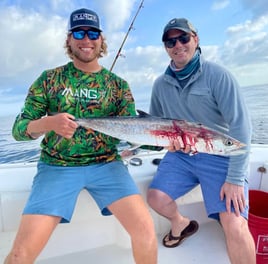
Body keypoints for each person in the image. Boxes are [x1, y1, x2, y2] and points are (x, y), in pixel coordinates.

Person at [5, 8, 157, 264]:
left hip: (108, 164)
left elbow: (135, 132)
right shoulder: (49, 79)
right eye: (79, 32)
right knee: (21, 254)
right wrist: (49, 123)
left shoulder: (117, 85)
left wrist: (171, 144)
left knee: (146, 233)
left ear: (101, 40)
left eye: (92, 33)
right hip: (57, 166)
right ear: (69, 39)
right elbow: (19, 129)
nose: (86, 39)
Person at [147, 18, 256, 264]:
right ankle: (181, 224)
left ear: (195, 39)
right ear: (166, 47)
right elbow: (155, 128)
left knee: (235, 224)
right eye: (170, 41)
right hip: (182, 156)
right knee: (155, 198)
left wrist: (235, 179)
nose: (178, 45)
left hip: (220, 155)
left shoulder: (218, 76)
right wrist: (166, 144)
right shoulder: (159, 85)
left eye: (183, 38)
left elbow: (240, 127)